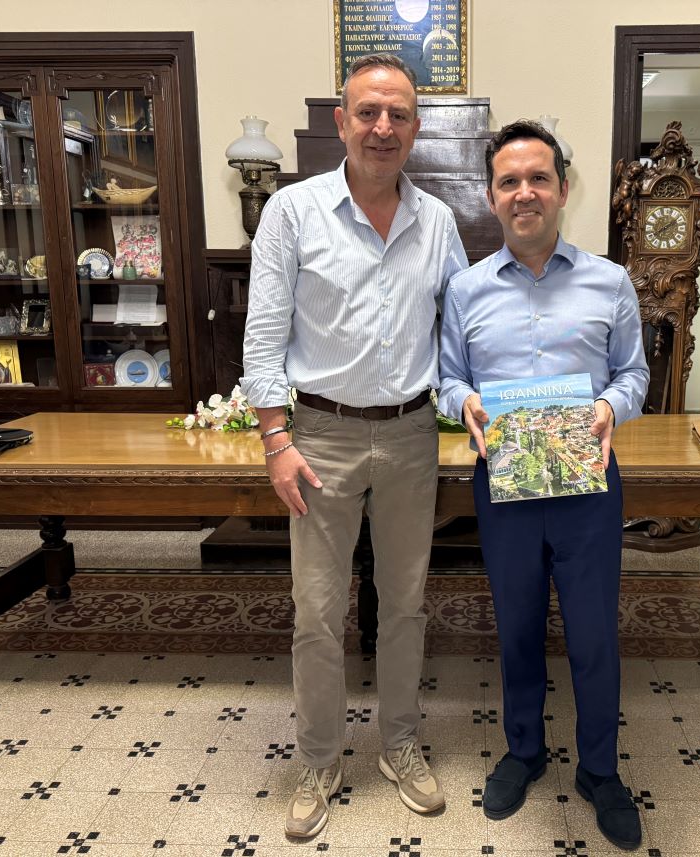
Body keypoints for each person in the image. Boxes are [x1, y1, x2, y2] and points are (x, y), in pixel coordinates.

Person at [239, 53, 467, 838]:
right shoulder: (293, 211)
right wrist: (276, 439)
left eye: (398, 114)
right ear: (342, 122)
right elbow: (263, 335)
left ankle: (399, 743)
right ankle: (318, 757)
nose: (382, 126)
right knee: (316, 609)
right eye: (368, 112)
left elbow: (462, 330)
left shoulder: (438, 222)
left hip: (410, 434)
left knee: (405, 604)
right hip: (321, 437)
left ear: (415, 128)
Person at [438, 120, 648, 850]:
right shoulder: (465, 289)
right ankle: (524, 750)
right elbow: (447, 378)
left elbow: (634, 374)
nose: (524, 193)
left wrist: (609, 406)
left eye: (538, 179)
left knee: (593, 634)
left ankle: (600, 769)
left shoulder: (609, 281)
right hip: (506, 484)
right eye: (509, 181)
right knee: (518, 625)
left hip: (587, 482)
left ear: (562, 188)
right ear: (491, 196)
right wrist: (464, 401)